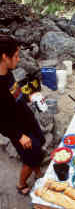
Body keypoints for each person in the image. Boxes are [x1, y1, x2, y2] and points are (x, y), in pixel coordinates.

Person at [0, 35, 46, 194]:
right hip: (17, 129)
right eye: (16, 56)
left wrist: (29, 97)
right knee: (30, 157)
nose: (18, 59)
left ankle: (38, 172)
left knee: (39, 143)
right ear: (5, 57)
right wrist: (19, 135)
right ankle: (21, 184)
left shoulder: (7, 72)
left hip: (27, 119)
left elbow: (16, 92)